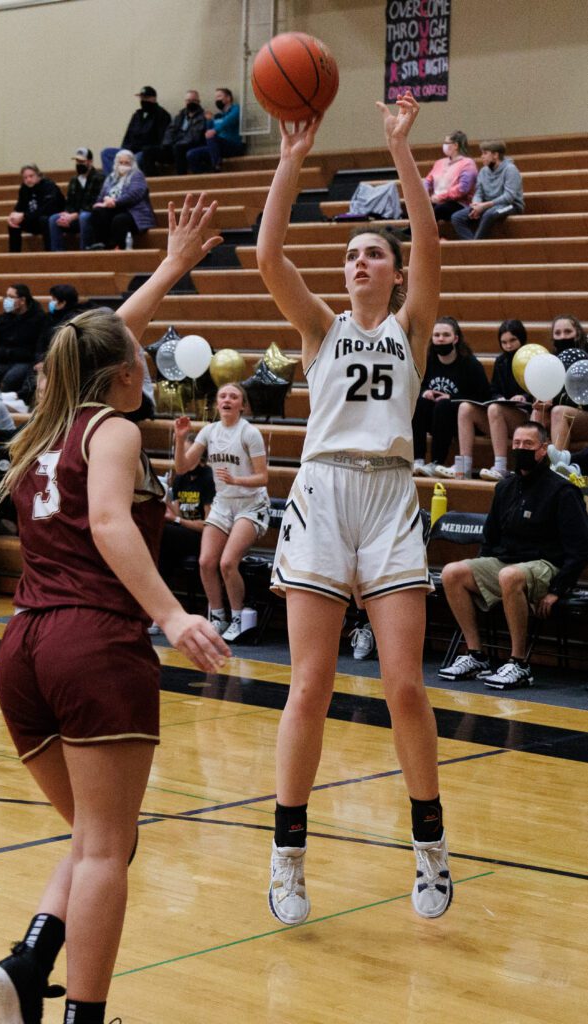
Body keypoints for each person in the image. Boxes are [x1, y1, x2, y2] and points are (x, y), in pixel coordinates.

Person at [0, 194, 229, 1024]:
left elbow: (96, 343)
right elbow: (114, 524)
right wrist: (171, 615)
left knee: (98, 838)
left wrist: (169, 268)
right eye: (141, 356)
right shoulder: (113, 429)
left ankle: (28, 961)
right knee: (106, 849)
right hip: (92, 641)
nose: (148, 360)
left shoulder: (44, 430)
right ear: (124, 374)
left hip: (22, 648)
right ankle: (84, 1013)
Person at [256, 91, 453, 925]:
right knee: (311, 682)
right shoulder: (318, 328)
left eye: (373, 253)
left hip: (386, 494)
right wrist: (292, 161)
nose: (360, 263)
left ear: (393, 269)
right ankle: (287, 856)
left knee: (404, 687)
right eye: (353, 256)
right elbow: (268, 256)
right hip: (322, 490)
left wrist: (400, 149)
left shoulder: (410, 325)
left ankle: (431, 849)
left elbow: (430, 243)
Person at [439, 421, 588, 689]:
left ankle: (519, 663)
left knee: (509, 575)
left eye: (528, 444)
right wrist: (481, 566)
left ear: (543, 449)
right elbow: (490, 538)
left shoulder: (563, 490)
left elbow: (579, 549)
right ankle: (475, 655)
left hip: (546, 564)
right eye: (517, 444)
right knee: (453, 572)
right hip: (508, 563)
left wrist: (557, 590)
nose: (521, 449)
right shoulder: (505, 487)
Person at [173, 383, 270, 642]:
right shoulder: (209, 431)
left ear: (242, 405)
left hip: (251, 504)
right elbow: (182, 467)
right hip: (223, 503)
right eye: (223, 396)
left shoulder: (249, 433)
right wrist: (180, 439)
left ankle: (238, 617)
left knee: (228, 562)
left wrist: (237, 481)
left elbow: (263, 477)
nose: (227, 399)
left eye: (233, 396)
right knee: (206, 562)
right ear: (217, 404)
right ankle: (218, 616)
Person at [439, 319, 532, 481]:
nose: (508, 346)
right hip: (502, 415)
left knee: (494, 409)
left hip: (525, 417)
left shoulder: (531, 360)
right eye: (504, 342)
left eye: (512, 341)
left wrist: (523, 397)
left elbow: (537, 391)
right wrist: (499, 397)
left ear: (522, 339)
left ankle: (500, 466)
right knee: (465, 408)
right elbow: (494, 389)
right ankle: (464, 464)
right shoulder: (501, 362)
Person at [149, 436, 216, 635]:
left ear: (198, 455)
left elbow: (207, 525)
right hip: (181, 536)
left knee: (164, 537)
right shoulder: (180, 479)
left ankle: (158, 611)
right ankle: (159, 612)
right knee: (163, 546)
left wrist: (177, 520)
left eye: (185, 453)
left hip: (204, 538)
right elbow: (176, 514)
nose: (181, 457)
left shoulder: (208, 478)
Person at [412, 316, 490, 476]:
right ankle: (417, 459)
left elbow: (483, 397)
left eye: (446, 335)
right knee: (420, 402)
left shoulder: (470, 364)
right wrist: (424, 391)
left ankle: (436, 462)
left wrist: (452, 398)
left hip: (460, 420)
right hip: (433, 419)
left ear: (455, 338)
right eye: (437, 335)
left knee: (444, 405)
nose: (441, 339)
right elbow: (415, 386)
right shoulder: (427, 361)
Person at [451, 140, 524, 241]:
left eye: (485, 153)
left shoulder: (510, 169)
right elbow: (479, 192)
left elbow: (509, 197)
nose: (482, 156)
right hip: (488, 205)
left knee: (489, 214)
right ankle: (471, 245)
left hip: (511, 205)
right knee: (457, 217)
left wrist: (484, 206)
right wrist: (476, 203)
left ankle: (475, 246)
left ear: (495, 155)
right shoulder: (483, 171)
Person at [0, 284, 47, 393]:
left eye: (11, 297)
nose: (7, 300)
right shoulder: (3, 318)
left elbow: (40, 344)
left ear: (22, 300)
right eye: (6, 297)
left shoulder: (38, 319)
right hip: (2, 360)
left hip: (25, 361)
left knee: (11, 379)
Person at [537, 315, 588, 451]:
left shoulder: (585, 359)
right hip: (562, 418)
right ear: (553, 338)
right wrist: (542, 405)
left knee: (558, 412)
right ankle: (530, 467)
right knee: (538, 413)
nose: (563, 337)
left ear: (577, 334)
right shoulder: (551, 362)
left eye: (567, 331)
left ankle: (558, 467)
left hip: (583, 414)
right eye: (558, 333)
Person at [90, 149, 155, 250]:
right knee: (98, 212)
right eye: (121, 162)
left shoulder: (137, 175)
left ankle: (118, 246)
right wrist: (100, 203)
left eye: (126, 163)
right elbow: (101, 196)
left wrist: (114, 202)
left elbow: (134, 195)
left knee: (119, 220)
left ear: (132, 164)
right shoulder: (111, 177)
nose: (123, 165)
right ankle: (101, 244)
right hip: (113, 209)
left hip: (133, 211)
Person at [100, 86, 171, 176]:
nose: (142, 101)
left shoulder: (162, 115)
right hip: (130, 150)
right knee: (106, 153)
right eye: (141, 98)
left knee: (138, 159)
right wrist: (124, 152)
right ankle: (112, 180)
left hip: (143, 152)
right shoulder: (137, 115)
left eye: (145, 98)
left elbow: (162, 139)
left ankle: (128, 183)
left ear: (153, 99)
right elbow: (128, 136)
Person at [49, 149, 105, 252]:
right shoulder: (74, 180)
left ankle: (84, 252)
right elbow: (70, 202)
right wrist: (66, 214)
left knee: (84, 217)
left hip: (90, 216)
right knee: (54, 219)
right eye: (77, 162)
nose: (79, 164)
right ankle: (57, 255)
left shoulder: (99, 178)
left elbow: (95, 202)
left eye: (82, 162)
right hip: (74, 216)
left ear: (90, 162)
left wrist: (75, 215)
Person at [144, 90, 206, 177]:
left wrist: (177, 144)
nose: (190, 103)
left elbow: (195, 136)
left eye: (193, 100)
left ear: (198, 102)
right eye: (188, 100)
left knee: (179, 148)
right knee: (148, 151)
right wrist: (167, 144)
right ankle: (155, 181)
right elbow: (170, 131)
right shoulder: (180, 115)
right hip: (173, 147)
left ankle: (181, 179)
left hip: (188, 147)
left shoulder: (203, 117)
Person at [7, 164, 65, 252]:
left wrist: (24, 216)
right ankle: (14, 255)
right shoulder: (24, 189)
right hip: (33, 219)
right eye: (25, 178)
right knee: (13, 224)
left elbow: (46, 209)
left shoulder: (48, 186)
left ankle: (49, 252)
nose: (28, 180)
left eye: (31, 176)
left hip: (51, 220)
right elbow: (20, 207)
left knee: (44, 219)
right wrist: (12, 217)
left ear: (38, 175)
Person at [187, 88, 245, 173]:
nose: (216, 99)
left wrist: (215, 130)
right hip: (218, 148)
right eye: (215, 97)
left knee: (212, 136)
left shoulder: (236, 108)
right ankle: (203, 177)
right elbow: (208, 132)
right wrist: (209, 121)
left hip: (233, 145)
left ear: (228, 98)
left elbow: (228, 121)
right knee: (191, 154)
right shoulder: (217, 116)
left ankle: (216, 166)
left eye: (219, 96)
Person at [423, 130, 477, 223]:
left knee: (439, 209)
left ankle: (408, 234)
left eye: (446, 143)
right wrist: (426, 192)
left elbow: (462, 189)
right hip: (437, 200)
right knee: (420, 208)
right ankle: (407, 233)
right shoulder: (440, 162)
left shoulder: (468, 164)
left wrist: (441, 197)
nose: (444, 145)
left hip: (458, 203)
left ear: (456, 145)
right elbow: (428, 180)